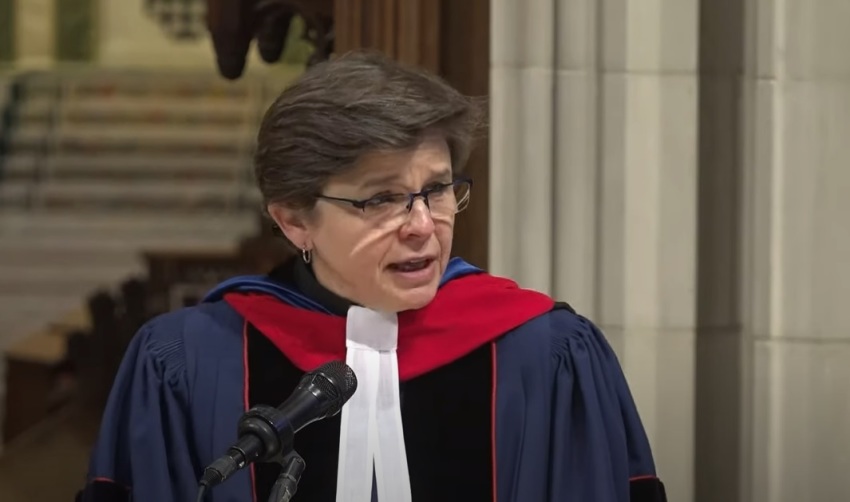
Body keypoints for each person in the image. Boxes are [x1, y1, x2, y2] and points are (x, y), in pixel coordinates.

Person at [77, 50, 667, 502]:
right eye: (380, 200)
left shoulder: (544, 354)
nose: (422, 225)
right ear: (293, 221)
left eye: (436, 189)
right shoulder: (188, 361)